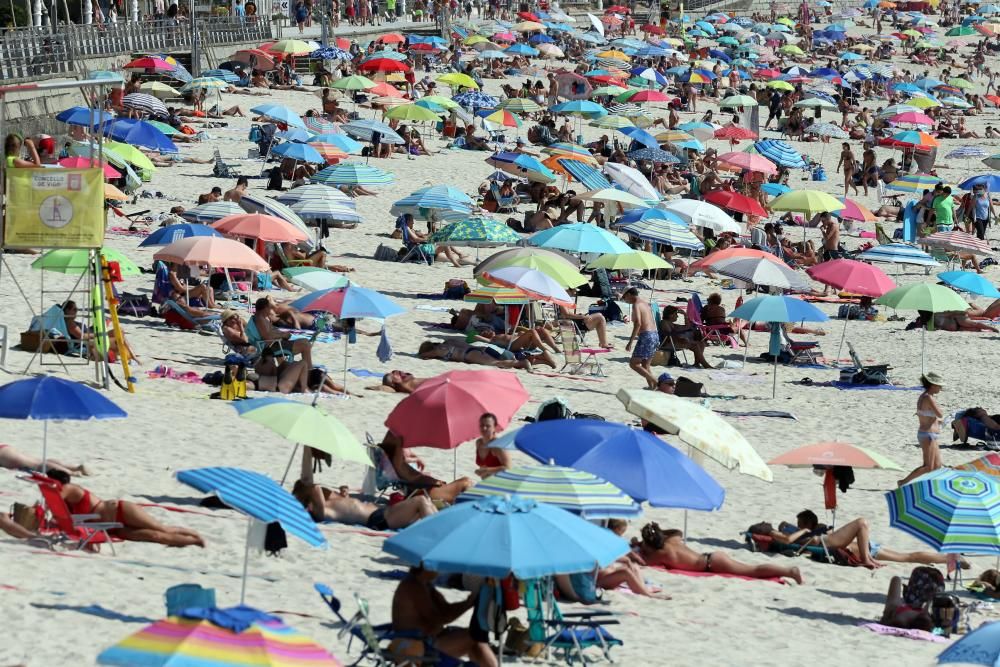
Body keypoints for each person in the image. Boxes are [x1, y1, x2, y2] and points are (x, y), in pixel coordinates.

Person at [47, 470, 204, 547]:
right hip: (112, 529)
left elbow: (56, 498)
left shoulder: (70, 488)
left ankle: (195, 534)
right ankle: (193, 542)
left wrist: (45, 493)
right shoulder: (66, 501)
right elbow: (60, 515)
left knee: (162, 528)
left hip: (121, 511)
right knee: (156, 536)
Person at [773, 509, 967, 568]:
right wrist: (795, 529)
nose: (797, 526)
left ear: (808, 522)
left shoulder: (820, 531)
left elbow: (793, 538)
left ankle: (952, 558)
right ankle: (951, 558)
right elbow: (789, 537)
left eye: (799, 523)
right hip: (863, 547)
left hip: (864, 547)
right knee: (908, 556)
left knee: (908, 556)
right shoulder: (817, 533)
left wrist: (803, 530)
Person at [391, 566, 498, 667]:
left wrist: (469, 602)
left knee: (476, 639)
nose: (440, 570)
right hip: (418, 645)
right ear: (427, 567)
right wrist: (468, 604)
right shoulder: (413, 587)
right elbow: (439, 618)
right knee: (474, 636)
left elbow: (445, 610)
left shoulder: (425, 585)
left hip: (430, 640)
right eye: (438, 567)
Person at [633, 522, 803, 584]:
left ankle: (789, 571)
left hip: (712, 564)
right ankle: (788, 571)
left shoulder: (659, 554)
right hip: (711, 558)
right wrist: (661, 532)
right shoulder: (672, 540)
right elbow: (677, 531)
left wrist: (637, 545)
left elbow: (642, 561)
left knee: (754, 571)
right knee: (752, 569)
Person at [293, 478, 435, 529]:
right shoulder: (320, 512)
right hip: (378, 518)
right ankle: (441, 532)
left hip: (383, 512)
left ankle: (444, 526)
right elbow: (316, 488)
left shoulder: (330, 503)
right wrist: (306, 483)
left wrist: (345, 495)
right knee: (420, 501)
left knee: (426, 501)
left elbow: (347, 507)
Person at [380, 432, 473, 503]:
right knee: (466, 483)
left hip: (433, 487)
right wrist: (400, 436)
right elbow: (394, 440)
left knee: (466, 481)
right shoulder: (400, 465)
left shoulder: (402, 465)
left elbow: (392, 443)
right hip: (429, 491)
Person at [899, 372, 945, 486]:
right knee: (928, 466)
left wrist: (937, 421)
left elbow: (926, 416)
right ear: (932, 385)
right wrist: (939, 417)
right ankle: (903, 482)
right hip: (927, 434)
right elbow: (940, 414)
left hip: (928, 433)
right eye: (939, 385)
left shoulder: (923, 397)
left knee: (937, 466)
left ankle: (932, 487)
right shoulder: (928, 397)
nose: (941, 388)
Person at [622, 287, 660, 389]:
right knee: (645, 365)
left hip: (646, 336)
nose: (624, 300)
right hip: (654, 334)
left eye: (624, 297)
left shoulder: (636, 305)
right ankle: (653, 387)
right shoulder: (644, 303)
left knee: (633, 364)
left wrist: (630, 342)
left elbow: (638, 323)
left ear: (629, 294)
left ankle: (656, 382)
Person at [0, 444, 88, 476]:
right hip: (5, 449)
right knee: (39, 461)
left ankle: (71, 473)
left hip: (3, 455)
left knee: (37, 465)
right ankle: (75, 467)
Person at [474, 413, 510, 478]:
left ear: (495, 428)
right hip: (486, 483)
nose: (484, 428)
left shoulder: (498, 445)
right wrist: (481, 471)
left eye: (488, 426)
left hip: (500, 484)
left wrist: (487, 470)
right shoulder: (478, 443)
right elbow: (483, 467)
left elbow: (508, 468)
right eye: (482, 425)